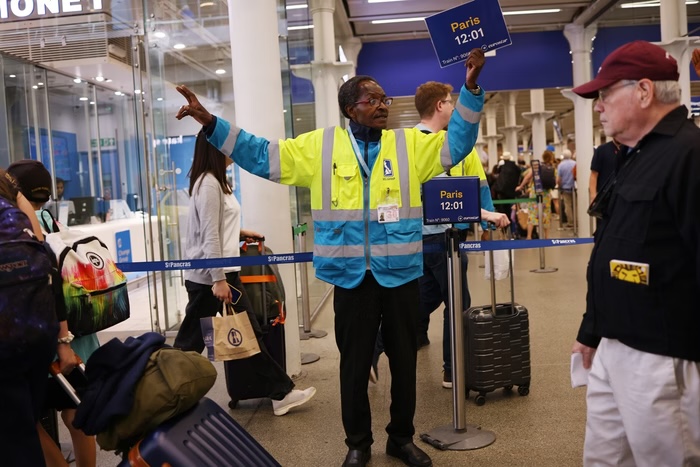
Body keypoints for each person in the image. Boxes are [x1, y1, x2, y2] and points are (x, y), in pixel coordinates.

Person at [175, 48, 487, 467]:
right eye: (371, 100)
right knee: (354, 367)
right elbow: (260, 154)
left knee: (405, 364)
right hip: (350, 277)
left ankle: (401, 438)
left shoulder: (411, 144)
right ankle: (357, 443)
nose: (382, 106)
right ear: (348, 108)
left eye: (384, 100)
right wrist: (211, 123)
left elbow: (459, 142)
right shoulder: (320, 147)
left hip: (400, 275)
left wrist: (469, 89)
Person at [571, 40, 700, 466]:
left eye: (606, 94)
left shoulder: (689, 156)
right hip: (612, 344)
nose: (599, 106)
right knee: (604, 459)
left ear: (644, 92)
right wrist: (592, 330)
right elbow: (614, 246)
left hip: (662, 358)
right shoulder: (633, 155)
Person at [173, 131, 316, 417]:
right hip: (212, 278)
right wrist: (219, 280)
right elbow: (210, 237)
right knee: (190, 345)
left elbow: (214, 227)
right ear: (215, 149)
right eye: (227, 145)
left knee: (246, 334)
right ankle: (165, 394)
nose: (233, 150)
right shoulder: (209, 184)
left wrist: (239, 232)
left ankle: (280, 393)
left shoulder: (215, 182)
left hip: (219, 274)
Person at [412, 80, 508, 389]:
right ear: (440, 106)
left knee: (426, 298)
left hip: (421, 238)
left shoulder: (409, 145)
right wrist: (487, 215)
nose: (454, 106)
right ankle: (452, 369)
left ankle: (377, 342)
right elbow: (461, 195)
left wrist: (487, 215)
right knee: (457, 303)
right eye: (451, 102)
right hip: (444, 238)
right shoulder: (448, 146)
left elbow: (478, 184)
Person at [7, 160, 97, 467]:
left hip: (44, 333)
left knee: (26, 420)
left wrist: (62, 339)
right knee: (76, 411)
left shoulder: (19, 224)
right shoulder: (53, 223)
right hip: (74, 335)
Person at [0, 168, 63, 467]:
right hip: (39, 334)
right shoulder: (16, 214)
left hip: (5, 339)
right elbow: (45, 255)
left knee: (16, 438)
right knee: (25, 427)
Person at [515, 150, 555, 240]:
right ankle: (547, 237)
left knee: (532, 214)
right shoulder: (551, 167)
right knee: (546, 215)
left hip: (535, 192)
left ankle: (529, 236)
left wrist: (521, 186)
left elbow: (527, 177)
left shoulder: (537, 166)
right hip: (546, 194)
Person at [556, 149, 576, 228]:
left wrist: (559, 186)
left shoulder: (561, 165)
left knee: (568, 206)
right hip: (575, 187)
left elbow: (558, 179)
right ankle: (577, 221)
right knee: (576, 205)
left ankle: (570, 222)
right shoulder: (575, 163)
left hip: (565, 188)